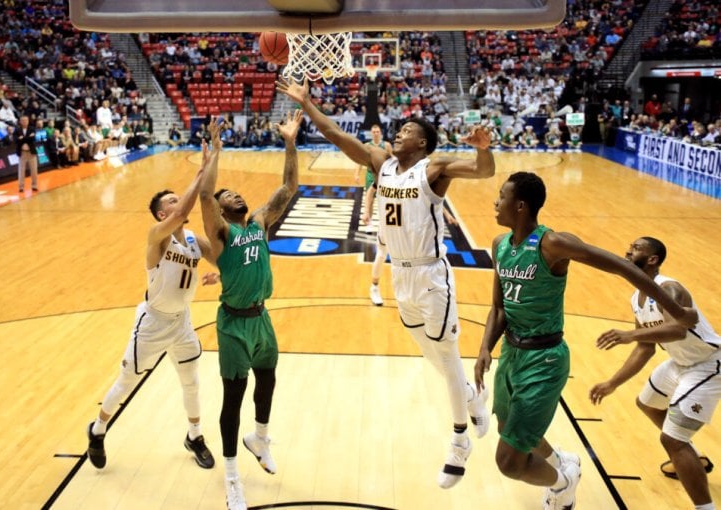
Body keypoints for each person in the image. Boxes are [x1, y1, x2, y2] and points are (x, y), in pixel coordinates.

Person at [278, 79, 493, 489]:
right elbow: (335, 134)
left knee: (445, 355)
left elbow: (483, 170)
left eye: (409, 130)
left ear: (423, 144)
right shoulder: (381, 163)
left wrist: (483, 148)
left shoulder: (436, 168)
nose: (400, 132)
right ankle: (471, 396)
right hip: (401, 273)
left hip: (432, 274)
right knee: (430, 352)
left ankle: (460, 441)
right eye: (401, 129)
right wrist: (307, 103)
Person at [473, 172, 699, 510]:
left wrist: (675, 309)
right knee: (507, 425)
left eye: (501, 196)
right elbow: (497, 306)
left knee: (508, 462)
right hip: (511, 352)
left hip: (544, 359)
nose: (495, 202)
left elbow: (622, 268)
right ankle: (564, 460)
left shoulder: (553, 243)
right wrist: (483, 350)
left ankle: (564, 482)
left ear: (520, 205)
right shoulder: (499, 245)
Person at [86, 141, 220, 472]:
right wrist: (201, 170)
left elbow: (220, 258)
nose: (179, 203)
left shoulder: (192, 241)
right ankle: (98, 429)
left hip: (181, 323)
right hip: (153, 323)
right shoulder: (157, 236)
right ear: (163, 214)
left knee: (191, 382)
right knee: (125, 384)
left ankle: (195, 436)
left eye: (179, 197)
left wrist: (219, 273)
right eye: (173, 201)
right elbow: (180, 212)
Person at [198, 111, 303, 510]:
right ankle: (231, 477)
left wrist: (290, 142)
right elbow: (206, 196)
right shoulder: (222, 234)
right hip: (233, 327)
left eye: (237, 194)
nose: (236, 196)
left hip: (262, 319)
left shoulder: (258, 222)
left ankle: (259, 438)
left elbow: (289, 186)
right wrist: (217, 151)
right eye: (229, 197)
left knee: (268, 383)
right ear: (221, 210)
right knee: (233, 398)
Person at [589, 237, 720, 510]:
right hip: (680, 362)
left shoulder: (669, 289)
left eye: (636, 248)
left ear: (652, 259)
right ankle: (694, 457)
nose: (627, 250)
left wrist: (629, 333)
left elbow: (677, 329)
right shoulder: (636, 297)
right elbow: (645, 348)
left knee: (672, 439)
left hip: (708, 363)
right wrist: (612, 382)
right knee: (647, 403)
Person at [354, 124, 393, 305]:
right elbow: (371, 191)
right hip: (388, 219)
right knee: (382, 253)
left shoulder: (390, 152)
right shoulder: (368, 147)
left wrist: (444, 213)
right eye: (374, 131)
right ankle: (375, 287)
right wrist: (366, 211)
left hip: (405, 222)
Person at [13, 115, 38, 193]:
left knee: (34, 171)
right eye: (23, 120)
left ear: (28, 121)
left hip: (31, 153)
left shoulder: (32, 128)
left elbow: (33, 139)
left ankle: (34, 186)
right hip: (22, 153)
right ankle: (21, 187)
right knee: (21, 171)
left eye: (26, 120)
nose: (24, 122)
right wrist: (27, 138)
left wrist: (22, 138)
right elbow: (15, 140)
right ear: (20, 121)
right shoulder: (17, 130)